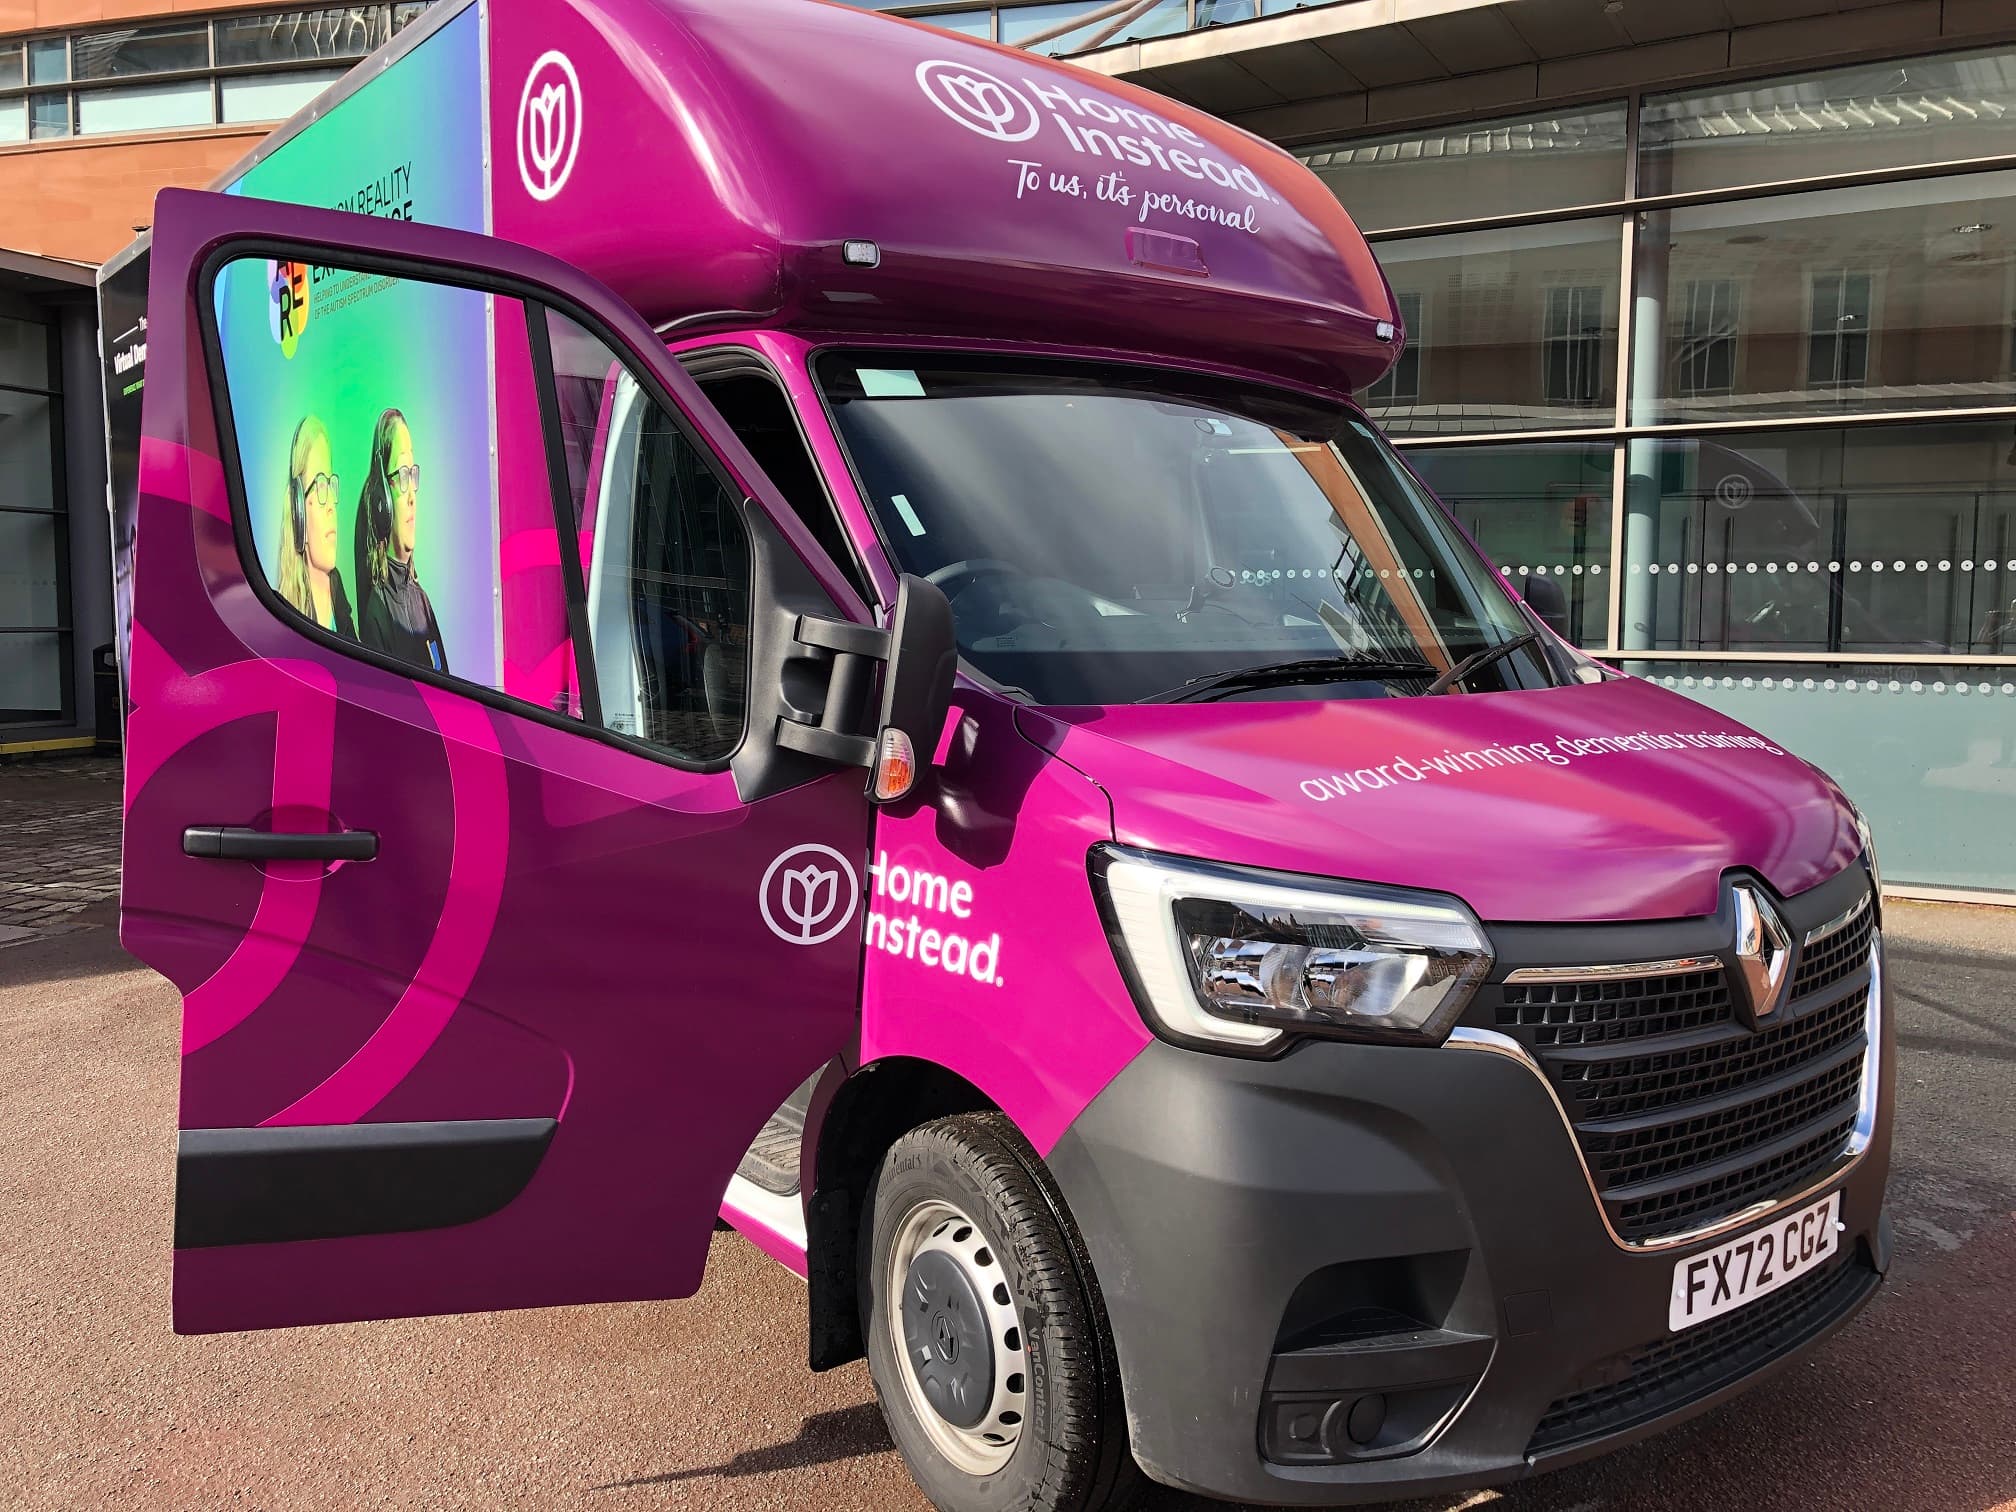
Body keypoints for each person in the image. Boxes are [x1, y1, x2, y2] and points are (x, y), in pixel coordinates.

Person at [354, 407, 449, 673]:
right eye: (402, 475)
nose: (411, 496)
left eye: (413, 474)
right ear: (382, 500)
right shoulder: (378, 612)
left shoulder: (422, 603)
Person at [275, 414, 354, 638]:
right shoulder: (285, 613)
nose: (331, 505)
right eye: (319, 486)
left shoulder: (336, 587)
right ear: (299, 510)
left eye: (330, 484)